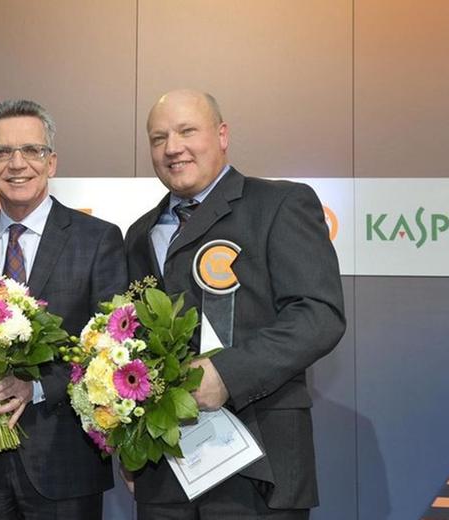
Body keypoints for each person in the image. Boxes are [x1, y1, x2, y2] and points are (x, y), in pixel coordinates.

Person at [124, 89, 346, 519]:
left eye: (187, 131)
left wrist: (227, 373)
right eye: (158, 138)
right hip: (164, 471)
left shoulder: (280, 204)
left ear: (222, 135)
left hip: (259, 464)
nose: (172, 148)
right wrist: (130, 443)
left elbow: (319, 315)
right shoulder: (139, 233)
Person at [0, 99, 128, 519]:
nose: (17, 164)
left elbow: (110, 348)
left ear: (51, 162)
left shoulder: (98, 239)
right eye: (2, 152)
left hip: (65, 462)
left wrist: (34, 387)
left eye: (32, 150)